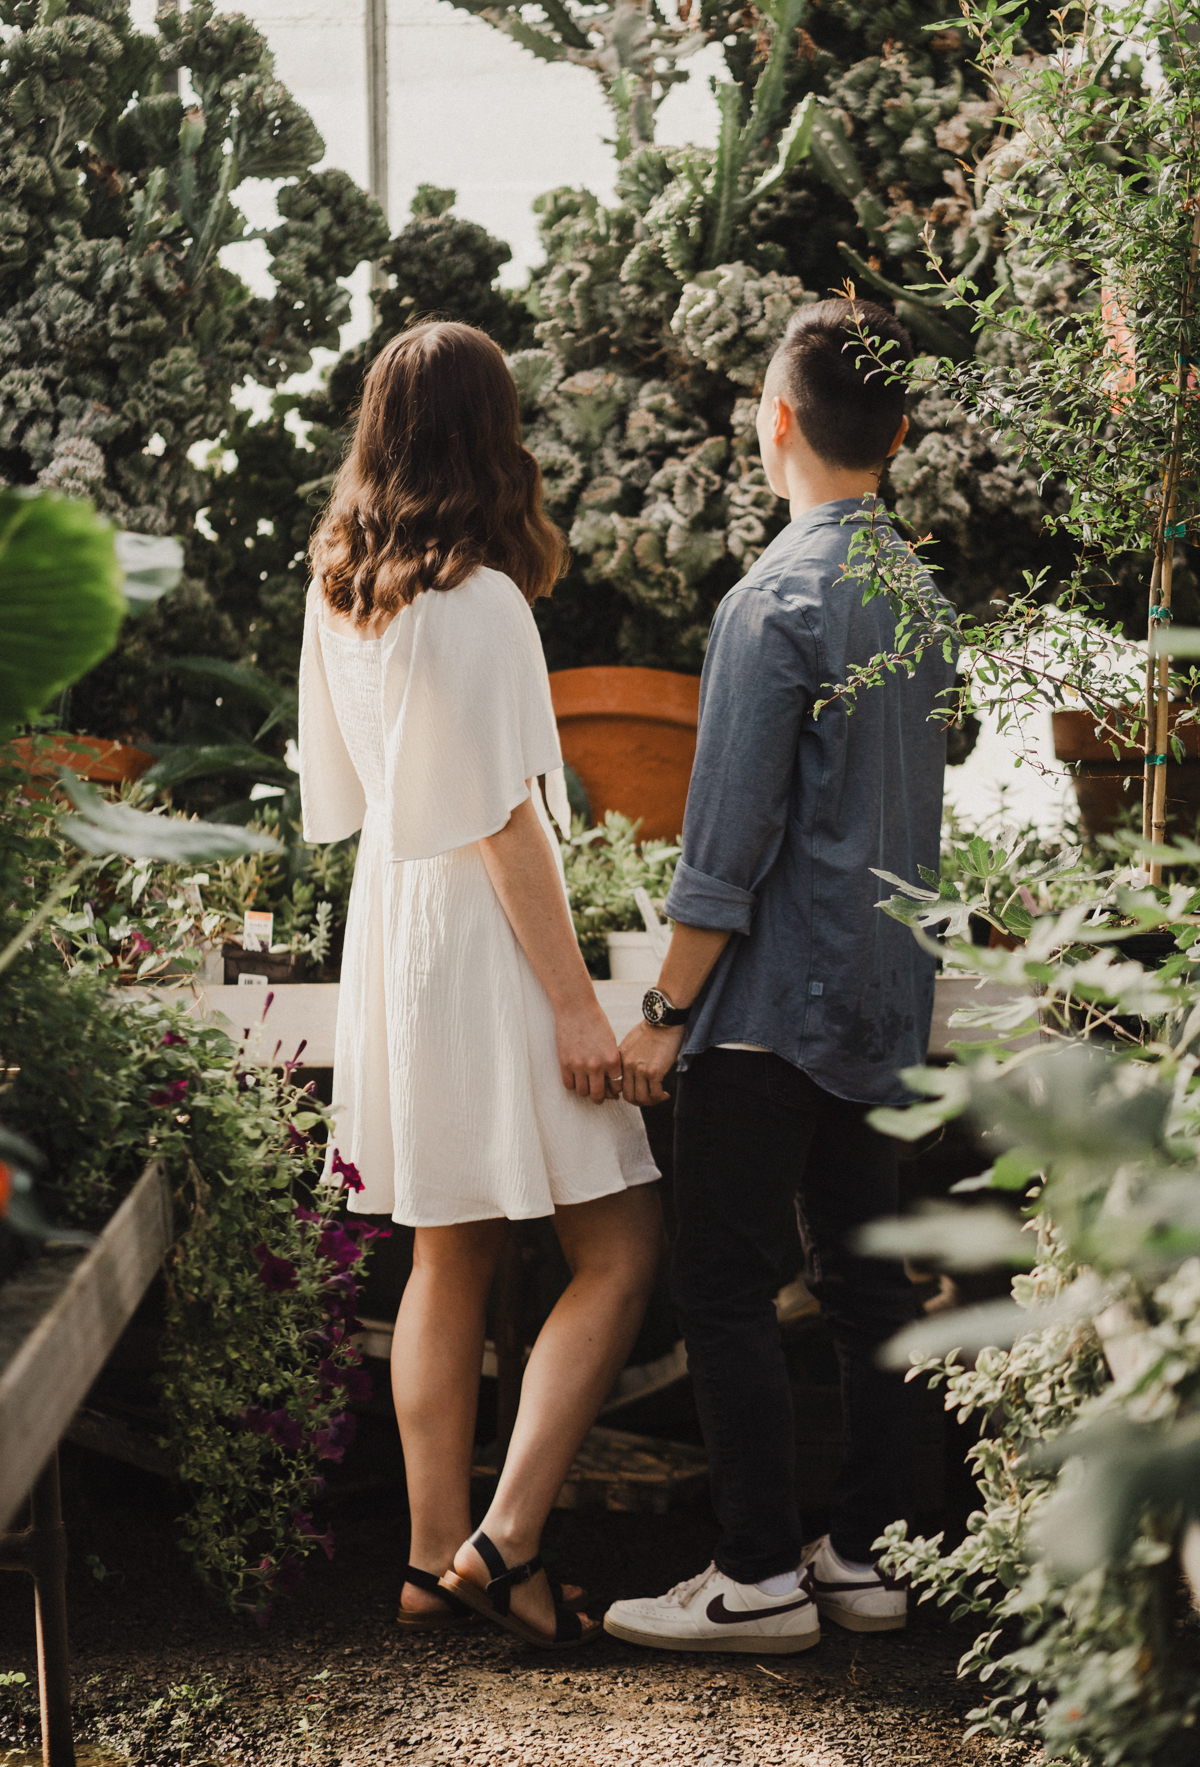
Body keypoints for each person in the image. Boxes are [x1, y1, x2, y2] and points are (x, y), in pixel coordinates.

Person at [298, 321, 663, 1651]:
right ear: (489, 434)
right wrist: (577, 1005)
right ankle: (503, 1544)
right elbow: (510, 820)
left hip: (396, 926)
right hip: (489, 932)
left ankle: (420, 1557)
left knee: (445, 1251)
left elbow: (339, 795)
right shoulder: (485, 599)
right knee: (621, 1245)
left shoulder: (343, 585)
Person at [603, 297, 955, 1656]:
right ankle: (867, 1555)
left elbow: (727, 846)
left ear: (778, 423)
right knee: (869, 1285)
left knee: (725, 1286)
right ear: (904, 433)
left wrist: (661, 1016)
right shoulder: (921, 598)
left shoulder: (775, 602)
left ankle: (754, 1575)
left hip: (767, 1017)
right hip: (883, 1004)